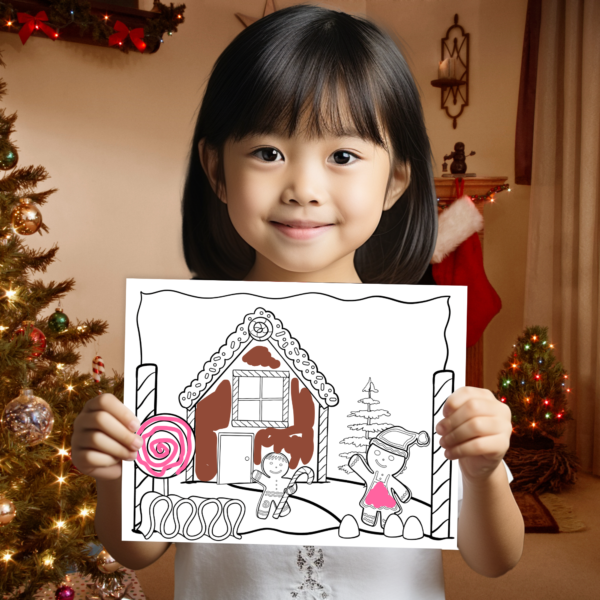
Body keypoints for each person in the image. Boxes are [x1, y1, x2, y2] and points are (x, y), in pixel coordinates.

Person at [71, 4, 524, 598]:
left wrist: (485, 471)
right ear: (216, 169)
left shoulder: (414, 349)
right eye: (267, 152)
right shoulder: (181, 343)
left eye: (343, 156)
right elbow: (138, 549)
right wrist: (112, 473)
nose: (303, 190)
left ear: (395, 180)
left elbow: (495, 559)